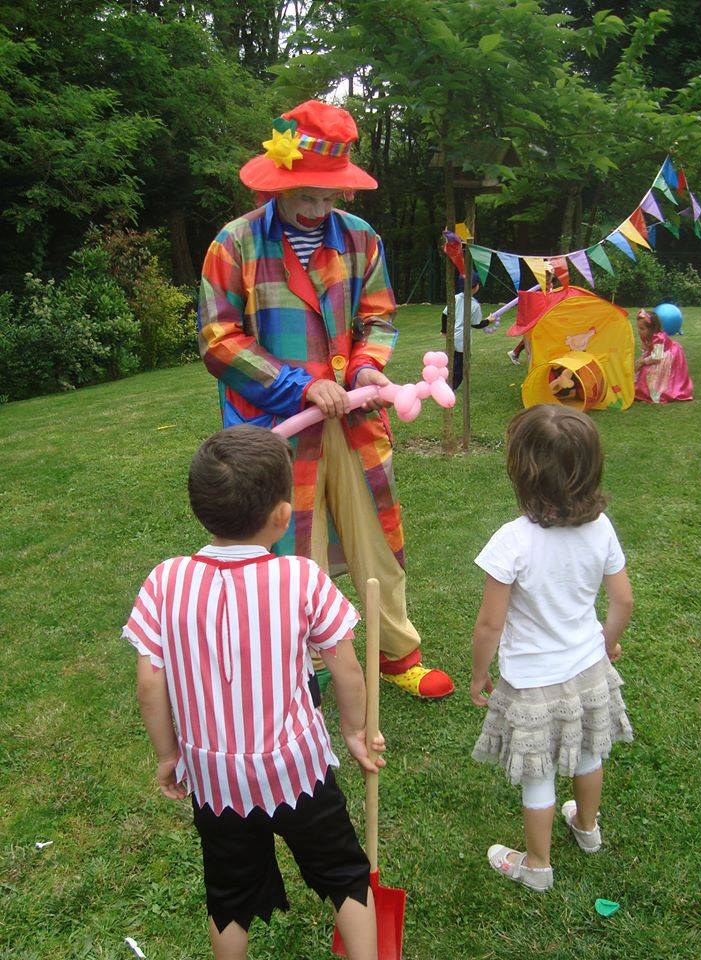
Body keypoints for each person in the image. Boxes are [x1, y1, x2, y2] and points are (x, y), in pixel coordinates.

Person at [198, 100, 453, 700]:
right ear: (280, 181)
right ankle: (302, 667)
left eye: (327, 197)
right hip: (275, 425)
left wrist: (365, 370)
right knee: (290, 545)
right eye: (305, 195)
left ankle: (397, 654)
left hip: (356, 417)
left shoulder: (361, 240)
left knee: (376, 538)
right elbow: (218, 338)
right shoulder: (234, 244)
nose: (316, 208)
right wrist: (298, 385)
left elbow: (380, 316)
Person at [123, 425, 386, 960]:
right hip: (296, 769)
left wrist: (169, 755)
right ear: (283, 516)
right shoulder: (302, 578)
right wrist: (355, 731)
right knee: (345, 875)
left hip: (215, 777)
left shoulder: (164, 581)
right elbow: (346, 669)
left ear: (201, 510)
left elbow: (150, 681)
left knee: (229, 895)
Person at [469, 405, 634, 892]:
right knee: (588, 752)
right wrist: (607, 643)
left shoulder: (511, 542)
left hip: (533, 683)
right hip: (589, 669)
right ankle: (587, 828)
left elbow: (489, 624)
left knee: (538, 772)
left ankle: (538, 866)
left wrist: (479, 674)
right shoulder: (601, 528)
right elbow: (622, 599)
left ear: (521, 472)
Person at [634, 309, 693, 403]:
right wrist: (641, 360)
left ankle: (656, 393)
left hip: (665, 355)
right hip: (656, 354)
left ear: (651, 329)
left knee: (650, 373)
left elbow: (657, 357)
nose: (639, 331)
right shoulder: (646, 336)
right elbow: (646, 350)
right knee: (640, 370)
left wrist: (643, 361)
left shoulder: (658, 338)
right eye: (638, 328)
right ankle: (642, 391)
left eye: (642, 329)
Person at [440, 272, 487, 389]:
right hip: (463, 340)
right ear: (476, 287)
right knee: (459, 367)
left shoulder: (454, 298)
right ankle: (451, 388)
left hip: (452, 337)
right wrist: (489, 321)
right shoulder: (475, 305)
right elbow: (476, 324)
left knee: (451, 361)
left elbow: (445, 314)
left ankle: (444, 381)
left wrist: (444, 330)